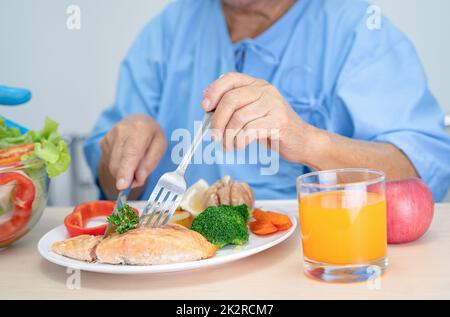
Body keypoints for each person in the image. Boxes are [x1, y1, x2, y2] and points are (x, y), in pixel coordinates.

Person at [84, 0, 450, 202]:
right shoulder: (170, 26)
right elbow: (115, 185)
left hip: (311, 267)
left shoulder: (356, 30)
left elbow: (421, 172)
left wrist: (309, 141)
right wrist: (121, 159)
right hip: (178, 270)